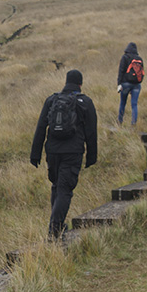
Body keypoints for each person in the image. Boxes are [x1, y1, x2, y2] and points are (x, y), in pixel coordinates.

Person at [30, 69, 98, 241]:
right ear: (80, 84)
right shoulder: (85, 102)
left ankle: (58, 226)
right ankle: (54, 230)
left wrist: (35, 153)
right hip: (72, 152)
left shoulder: (52, 100)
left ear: (66, 82)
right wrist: (91, 156)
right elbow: (91, 132)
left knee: (56, 186)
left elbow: (40, 128)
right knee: (64, 190)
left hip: (52, 151)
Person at [117, 42, 144, 126]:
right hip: (137, 84)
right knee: (134, 104)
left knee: (122, 102)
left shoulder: (125, 57)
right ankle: (133, 123)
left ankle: (120, 121)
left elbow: (121, 71)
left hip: (125, 84)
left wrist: (119, 83)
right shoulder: (139, 59)